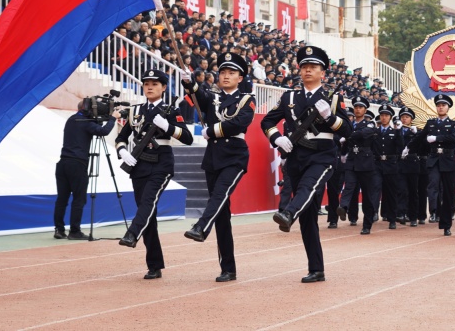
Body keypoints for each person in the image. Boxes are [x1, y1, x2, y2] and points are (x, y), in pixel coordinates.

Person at [262, 45, 351, 283]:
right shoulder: (289, 97)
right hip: (296, 156)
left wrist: (330, 118)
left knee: (307, 188)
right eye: (304, 67)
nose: (308, 70)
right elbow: (268, 121)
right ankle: (316, 268)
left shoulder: (332, 98)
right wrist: (277, 137)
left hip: (322, 156)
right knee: (309, 217)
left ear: (323, 72)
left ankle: (287, 213)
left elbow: (348, 129)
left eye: (313, 67)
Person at [181, 52, 255, 283]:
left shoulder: (246, 99)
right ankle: (228, 268)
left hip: (234, 156)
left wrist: (212, 131)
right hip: (213, 157)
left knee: (220, 194)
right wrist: (189, 82)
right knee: (222, 215)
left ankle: (201, 226)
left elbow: (240, 122)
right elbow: (198, 95)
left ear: (240, 78)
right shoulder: (212, 97)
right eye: (223, 72)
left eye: (231, 73)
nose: (225, 76)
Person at [115, 69, 193, 280]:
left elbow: (187, 138)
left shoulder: (170, 110)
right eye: (146, 83)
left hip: (161, 163)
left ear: (164, 87)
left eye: (155, 84)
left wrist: (167, 126)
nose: (149, 87)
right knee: (147, 213)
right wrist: (123, 151)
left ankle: (132, 233)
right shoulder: (136, 111)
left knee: (147, 203)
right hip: (139, 165)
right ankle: (154, 264)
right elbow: (121, 137)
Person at [53, 100, 121, 240]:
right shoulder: (85, 122)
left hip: (62, 163)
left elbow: (93, 128)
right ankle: (74, 231)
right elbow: (103, 131)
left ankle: (59, 230)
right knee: (79, 199)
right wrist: (113, 118)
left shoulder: (72, 119)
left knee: (62, 199)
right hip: (77, 164)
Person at [337, 97, 380, 235]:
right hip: (352, 159)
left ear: (365, 110)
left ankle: (367, 224)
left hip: (366, 162)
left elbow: (363, 134)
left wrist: (348, 136)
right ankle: (343, 207)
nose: (357, 109)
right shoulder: (349, 124)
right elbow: (343, 139)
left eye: (360, 107)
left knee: (367, 194)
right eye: (356, 107)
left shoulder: (370, 124)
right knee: (349, 185)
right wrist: (343, 153)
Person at [423, 94, 455, 236]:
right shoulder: (431, 123)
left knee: (448, 191)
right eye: (438, 105)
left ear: (448, 108)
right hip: (433, 159)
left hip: (447, 160)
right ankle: (434, 212)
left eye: (443, 105)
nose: (440, 107)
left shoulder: (454, 124)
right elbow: (421, 138)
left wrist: (437, 138)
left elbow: (453, 138)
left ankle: (446, 223)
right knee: (433, 186)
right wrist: (408, 147)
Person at [376, 103, 403, 229]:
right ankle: (372, 215)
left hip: (390, 165)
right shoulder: (375, 132)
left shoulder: (394, 132)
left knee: (391, 193)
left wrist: (399, 132)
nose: (384, 117)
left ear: (390, 117)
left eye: (386, 115)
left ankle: (392, 218)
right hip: (377, 165)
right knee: (374, 190)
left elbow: (400, 147)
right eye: (382, 115)